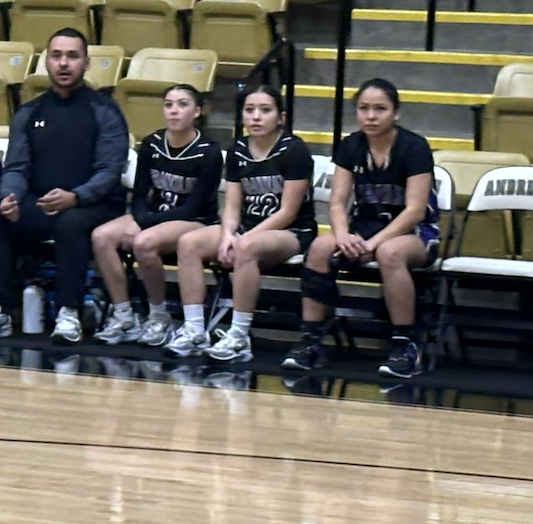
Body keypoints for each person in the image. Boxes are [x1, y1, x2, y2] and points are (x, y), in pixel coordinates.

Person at [0, 29, 127, 339]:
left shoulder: (104, 111)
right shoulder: (29, 112)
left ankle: (69, 313)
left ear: (86, 63)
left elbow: (109, 171)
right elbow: (16, 166)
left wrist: (75, 196)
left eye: (72, 56)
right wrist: (9, 197)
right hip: (42, 200)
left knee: (70, 222)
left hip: (95, 204)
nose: (63, 64)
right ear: (46, 62)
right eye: (56, 56)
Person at [284, 78, 440, 380]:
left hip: (415, 234)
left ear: (396, 113)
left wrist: (373, 244)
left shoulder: (414, 147)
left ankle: (404, 345)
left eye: (380, 109)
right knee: (318, 248)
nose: (371, 116)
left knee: (390, 253)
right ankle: (311, 341)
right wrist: (341, 235)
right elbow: (338, 202)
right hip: (363, 227)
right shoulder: (350, 146)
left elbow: (415, 211)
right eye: (364, 109)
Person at [171, 86, 314, 364]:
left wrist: (240, 239)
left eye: (265, 110)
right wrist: (227, 235)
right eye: (249, 111)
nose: (256, 117)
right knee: (189, 242)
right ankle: (194, 329)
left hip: (291, 232)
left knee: (246, 246)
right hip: (247, 229)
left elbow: (287, 212)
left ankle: (238, 336)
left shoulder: (294, 150)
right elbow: (233, 206)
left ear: (280, 117)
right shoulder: (237, 149)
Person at [90, 84, 222, 349]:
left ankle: (159, 315)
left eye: (182, 104)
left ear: (197, 111)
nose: (174, 111)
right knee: (101, 236)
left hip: (195, 221)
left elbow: (193, 208)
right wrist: (139, 219)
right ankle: (124, 315)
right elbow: (139, 194)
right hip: (153, 216)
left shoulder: (209, 151)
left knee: (144, 242)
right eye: (168, 104)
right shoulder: (151, 144)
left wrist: (142, 224)